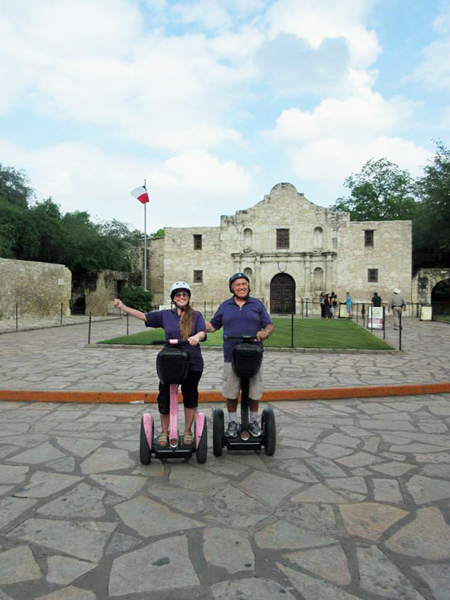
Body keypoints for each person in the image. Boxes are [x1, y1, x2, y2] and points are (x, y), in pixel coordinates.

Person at [113, 282, 206, 447]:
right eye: (178, 295)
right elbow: (144, 316)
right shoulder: (165, 315)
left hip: (192, 361)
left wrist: (196, 337)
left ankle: (187, 432)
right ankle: (164, 431)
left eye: (184, 295)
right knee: (164, 397)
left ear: (189, 297)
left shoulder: (196, 315)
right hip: (170, 361)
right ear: (173, 298)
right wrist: (123, 307)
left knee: (190, 395)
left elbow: (202, 331)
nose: (182, 297)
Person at [206, 273, 274, 438]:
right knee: (231, 392)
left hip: (254, 356)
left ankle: (253, 421)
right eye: (238, 285)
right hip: (232, 356)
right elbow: (213, 326)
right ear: (232, 288)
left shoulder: (257, 304)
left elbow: (269, 324)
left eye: (244, 284)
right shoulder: (225, 306)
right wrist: (194, 320)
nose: (242, 287)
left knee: (254, 392)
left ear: (248, 286)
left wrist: (265, 332)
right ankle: (232, 422)